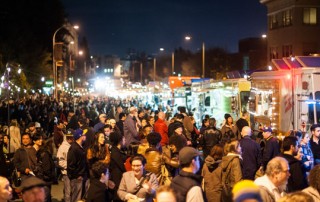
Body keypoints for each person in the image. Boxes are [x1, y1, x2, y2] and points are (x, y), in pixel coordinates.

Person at [67, 128, 88, 202]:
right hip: (77, 178)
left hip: (81, 176)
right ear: (80, 136)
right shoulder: (74, 148)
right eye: (84, 134)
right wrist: (77, 176)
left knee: (81, 198)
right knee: (76, 198)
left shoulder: (80, 147)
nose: (85, 136)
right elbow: (71, 165)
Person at [109, 132, 127, 202]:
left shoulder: (117, 150)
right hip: (117, 178)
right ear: (120, 140)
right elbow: (121, 166)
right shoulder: (115, 152)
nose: (125, 140)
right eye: (123, 139)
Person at [57, 129, 74, 202]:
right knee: (68, 192)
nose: (69, 138)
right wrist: (71, 165)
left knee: (74, 192)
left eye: (71, 137)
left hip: (75, 172)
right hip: (67, 173)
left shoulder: (75, 145)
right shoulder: (62, 147)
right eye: (68, 137)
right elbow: (60, 162)